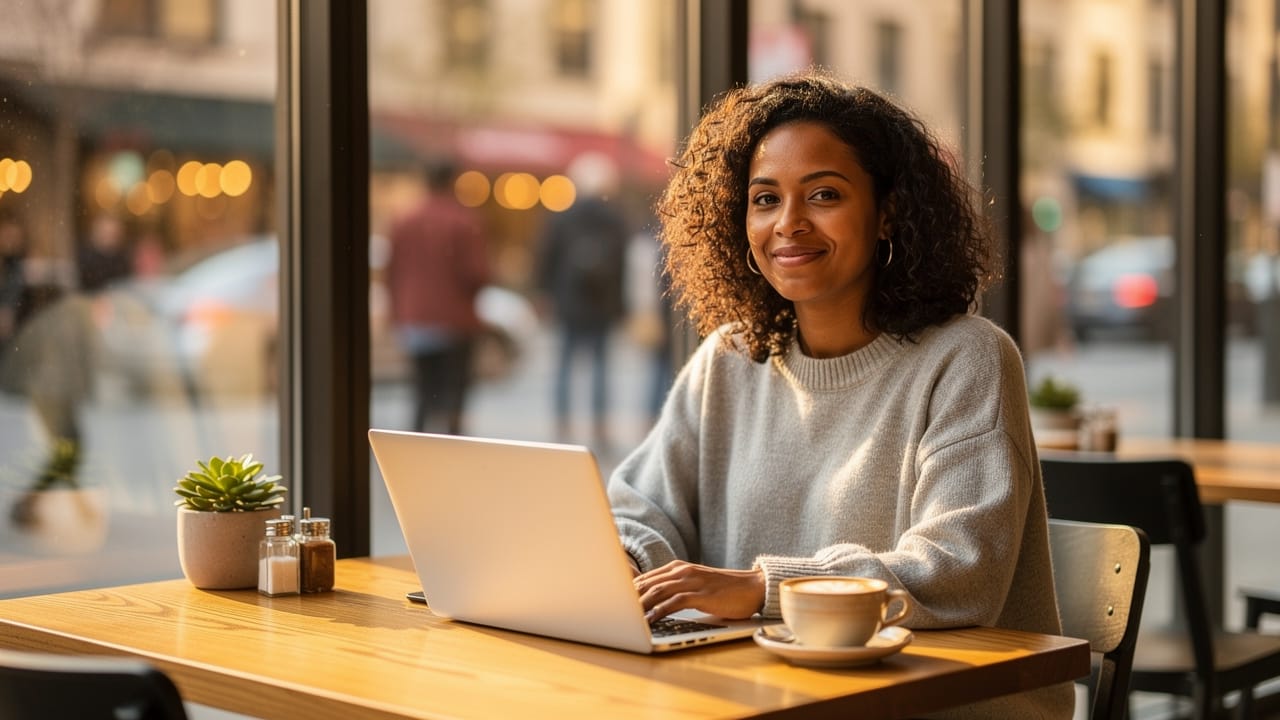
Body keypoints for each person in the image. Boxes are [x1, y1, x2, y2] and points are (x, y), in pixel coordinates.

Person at [607, 70, 1071, 719]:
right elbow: (643, 507)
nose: (788, 224)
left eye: (823, 194)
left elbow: (959, 572)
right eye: (764, 199)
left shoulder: (968, 358)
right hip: (771, 694)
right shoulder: (730, 360)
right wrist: (624, 566)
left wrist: (761, 588)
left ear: (888, 213)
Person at [386, 156, 491, 435]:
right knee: (452, 394)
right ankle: (450, 451)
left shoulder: (405, 220)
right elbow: (476, 274)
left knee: (422, 390)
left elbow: (392, 272)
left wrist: (396, 314)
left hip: (414, 318)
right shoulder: (462, 220)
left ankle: (418, 445)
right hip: (454, 321)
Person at [536, 152, 631, 450]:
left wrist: (544, 294)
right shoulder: (615, 219)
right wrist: (622, 305)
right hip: (603, 304)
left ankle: (562, 424)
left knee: (564, 365)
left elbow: (545, 258)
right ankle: (599, 428)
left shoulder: (562, 217)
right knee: (601, 367)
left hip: (568, 301)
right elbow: (623, 265)